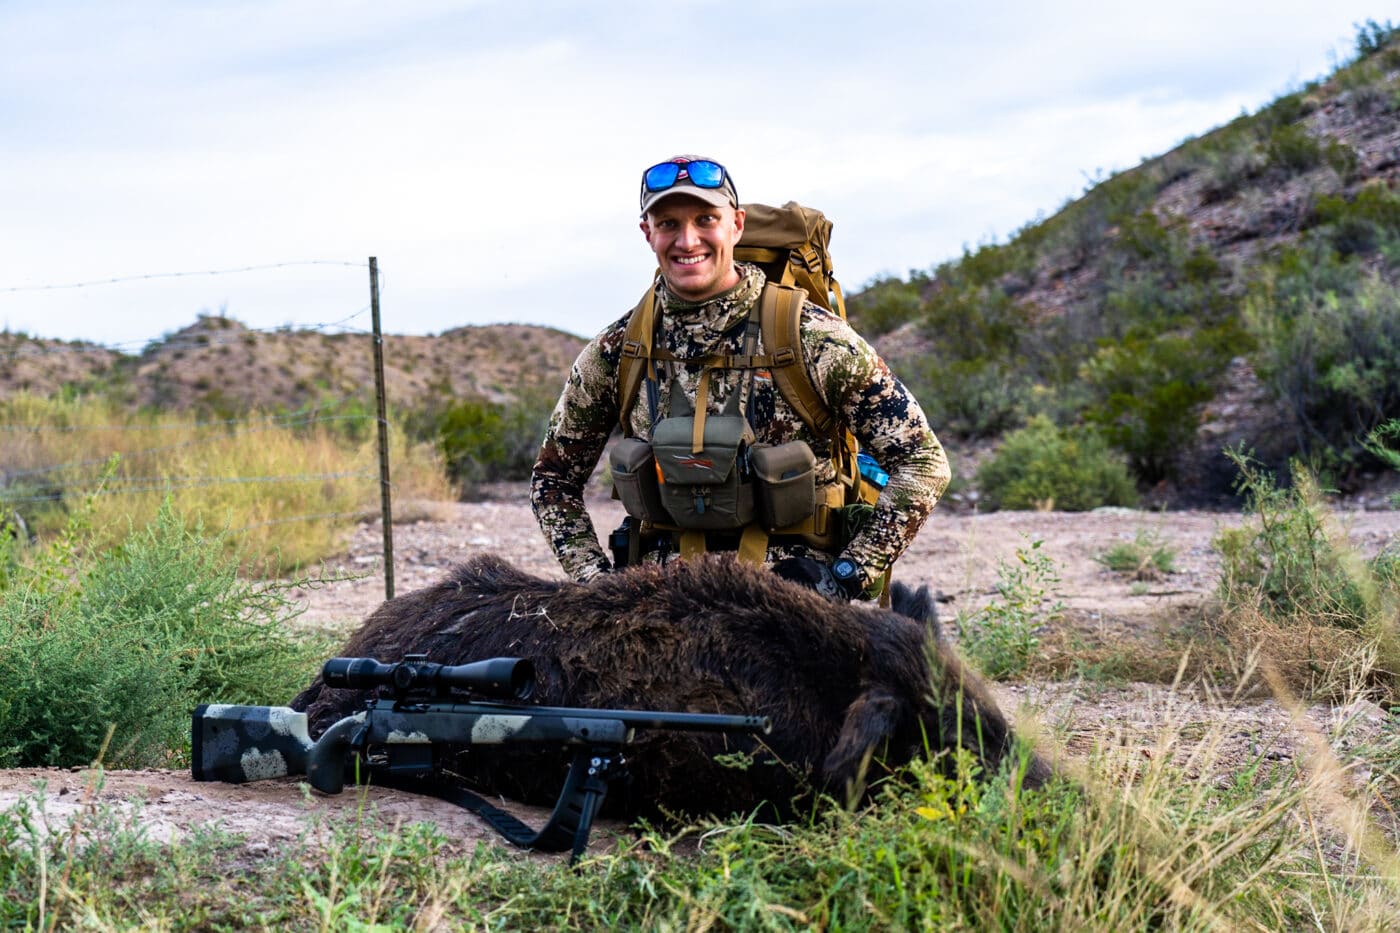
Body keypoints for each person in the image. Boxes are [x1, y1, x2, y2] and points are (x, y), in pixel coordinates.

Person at [530, 155, 949, 601]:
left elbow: (922, 462)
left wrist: (847, 575)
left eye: (705, 219)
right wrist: (598, 585)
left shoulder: (812, 337)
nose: (687, 239)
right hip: (658, 607)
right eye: (668, 223)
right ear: (647, 233)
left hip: (797, 605)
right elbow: (552, 480)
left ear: (737, 225)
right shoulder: (619, 350)